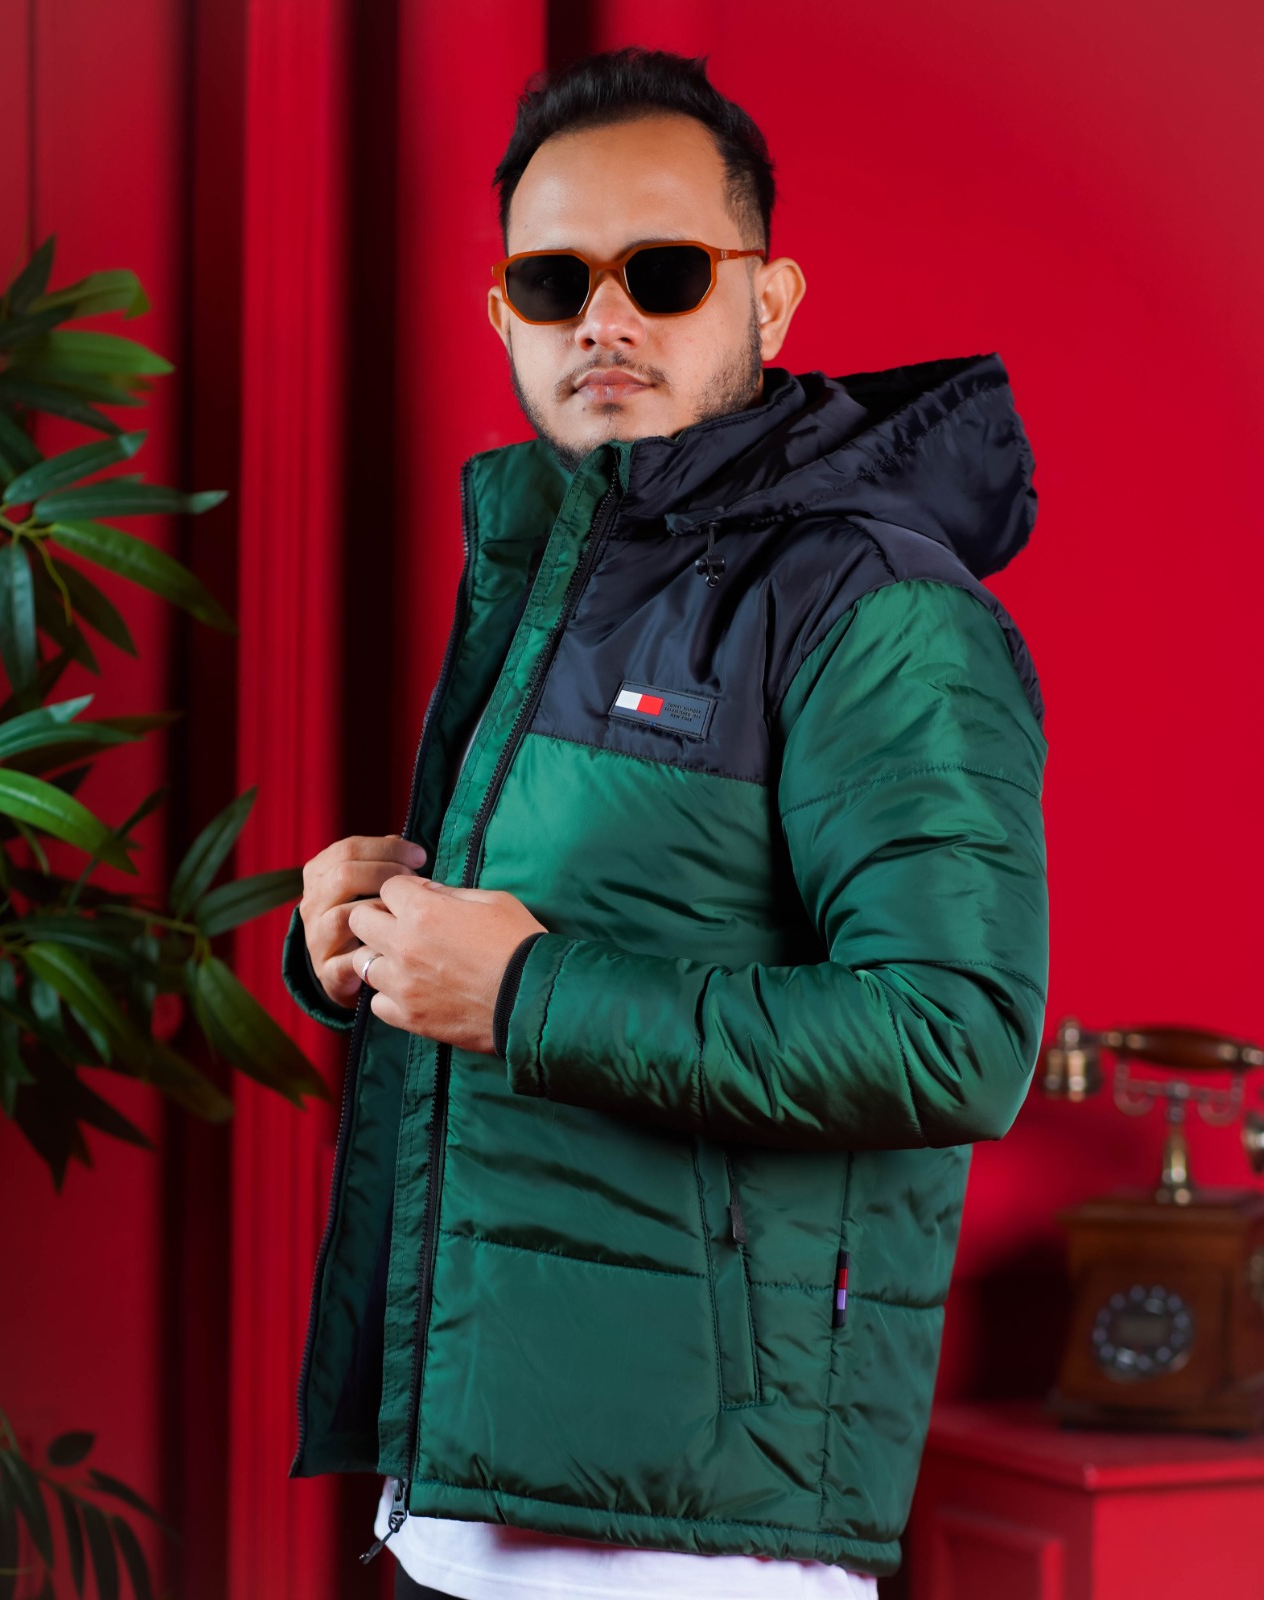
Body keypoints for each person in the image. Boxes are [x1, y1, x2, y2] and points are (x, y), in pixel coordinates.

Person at [281, 46, 1049, 1600]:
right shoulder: (557, 571)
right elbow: (565, 935)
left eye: (664, 271)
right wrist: (360, 945)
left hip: (702, 1544)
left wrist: (522, 990)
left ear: (769, 300)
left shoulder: (874, 607)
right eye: (554, 281)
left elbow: (955, 1038)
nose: (605, 318)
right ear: (504, 316)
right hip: (469, 1502)